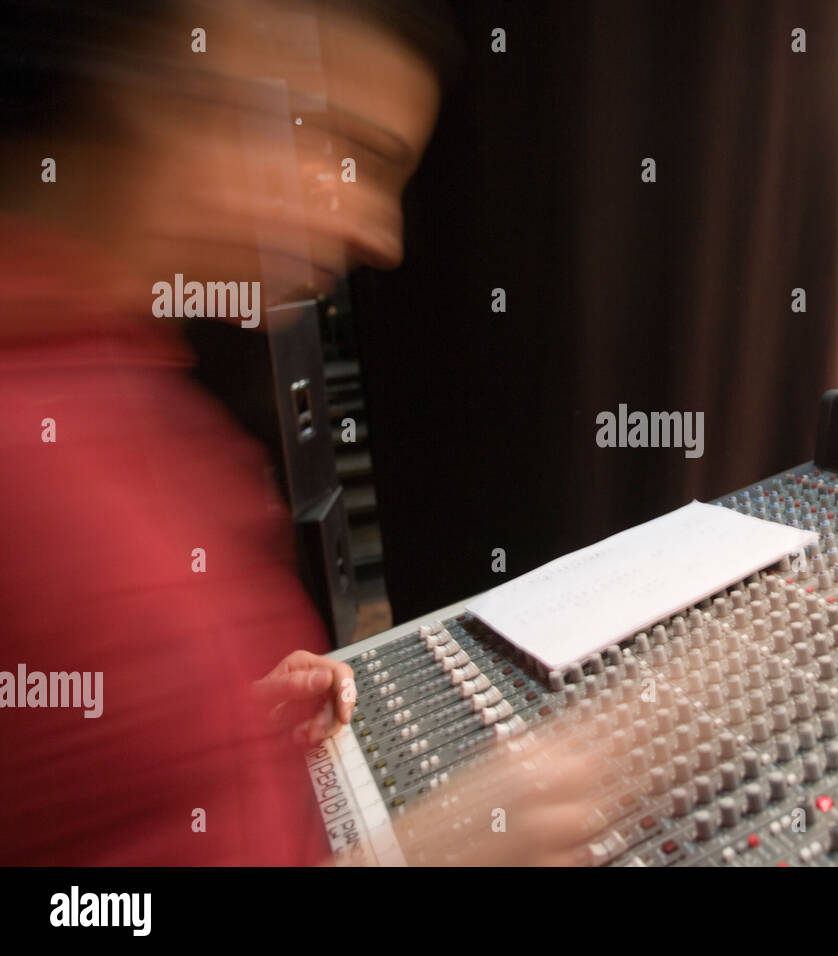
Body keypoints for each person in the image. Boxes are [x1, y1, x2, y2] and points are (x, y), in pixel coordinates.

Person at [0, 0, 596, 865]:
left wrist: (219, 716)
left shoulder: (115, 372)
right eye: (344, 147)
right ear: (167, 72)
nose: (379, 234)